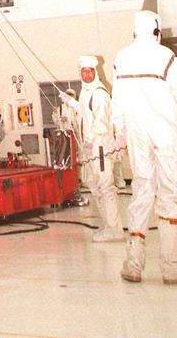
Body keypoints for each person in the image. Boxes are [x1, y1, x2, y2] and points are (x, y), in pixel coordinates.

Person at [112, 10, 177, 284]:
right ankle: (171, 267)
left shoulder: (121, 57)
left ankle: (133, 264)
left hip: (137, 133)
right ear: (157, 31)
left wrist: (121, 131)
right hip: (165, 132)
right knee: (171, 192)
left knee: (142, 190)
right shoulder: (166, 56)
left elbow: (117, 100)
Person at [60, 55, 125, 242]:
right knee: (94, 185)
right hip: (91, 149)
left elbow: (101, 123)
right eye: (84, 71)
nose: (87, 75)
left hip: (100, 148)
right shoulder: (85, 92)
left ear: (95, 72)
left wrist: (90, 141)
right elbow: (84, 111)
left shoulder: (99, 93)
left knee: (106, 186)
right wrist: (70, 102)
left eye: (90, 71)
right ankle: (108, 225)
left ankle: (114, 228)